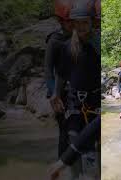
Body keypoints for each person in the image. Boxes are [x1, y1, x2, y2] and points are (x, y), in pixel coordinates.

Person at [50, 1, 100, 179]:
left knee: (93, 146)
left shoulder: (97, 46)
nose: (81, 27)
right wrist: (56, 93)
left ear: (91, 22)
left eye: (85, 22)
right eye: (77, 23)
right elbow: (62, 74)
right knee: (74, 139)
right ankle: (75, 176)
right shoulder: (66, 47)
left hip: (94, 103)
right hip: (74, 102)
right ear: (72, 24)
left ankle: (95, 174)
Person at [45, 0, 73, 159]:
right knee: (64, 131)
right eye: (68, 21)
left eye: (72, 20)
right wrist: (53, 94)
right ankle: (62, 166)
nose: (71, 24)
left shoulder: (80, 37)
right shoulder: (54, 40)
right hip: (60, 92)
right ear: (60, 21)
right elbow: (48, 70)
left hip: (77, 90)